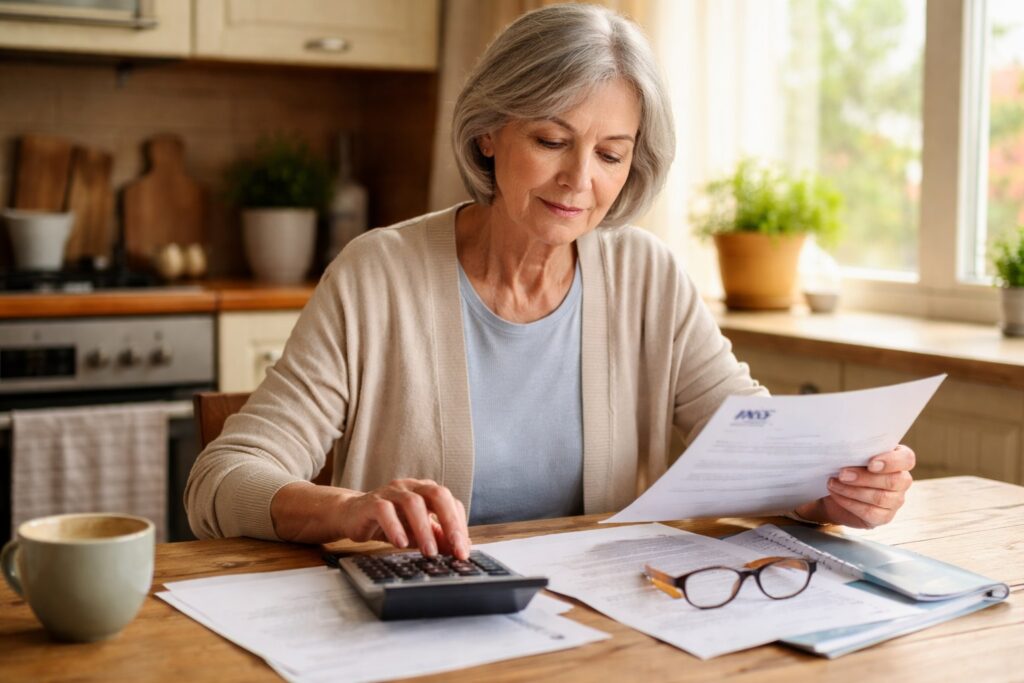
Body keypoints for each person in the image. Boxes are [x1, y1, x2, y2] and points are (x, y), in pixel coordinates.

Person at [185, 3, 915, 561]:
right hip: (416, 634)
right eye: (552, 140)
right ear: (488, 134)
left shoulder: (648, 276)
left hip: (600, 631)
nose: (580, 181)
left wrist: (838, 492)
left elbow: (759, 448)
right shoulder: (378, 274)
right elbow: (220, 481)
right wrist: (347, 508)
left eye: (610, 153)